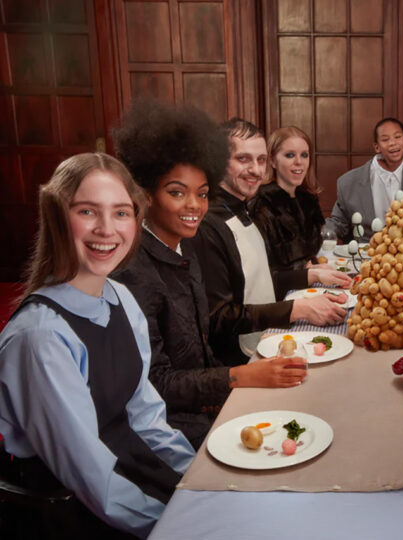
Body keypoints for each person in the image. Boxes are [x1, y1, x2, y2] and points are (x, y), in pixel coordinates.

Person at [0, 153, 195, 538]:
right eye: (87, 211)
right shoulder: (39, 339)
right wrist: (181, 526)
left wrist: (199, 477)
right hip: (80, 512)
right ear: (57, 216)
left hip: (133, 472)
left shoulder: (120, 296)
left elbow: (146, 417)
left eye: (121, 213)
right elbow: (91, 478)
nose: (107, 229)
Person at [112, 102, 307, 449]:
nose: (194, 206)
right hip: (170, 430)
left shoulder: (184, 250)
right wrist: (240, 376)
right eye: (177, 192)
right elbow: (157, 383)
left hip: (210, 402)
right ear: (147, 195)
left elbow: (201, 352)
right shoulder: (136, 273)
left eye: (201, 194)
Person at [189, 118, 352, 366]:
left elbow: (261, 280)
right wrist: (297, 309)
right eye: (243, 159)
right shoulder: (209, 225)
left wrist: (310, 280)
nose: (256, 169)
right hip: (238, 362)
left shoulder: (241, 211)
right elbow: (218, 317)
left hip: (266, 340)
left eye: (261, 160)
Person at [324, 117, 403, 243]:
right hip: (367, 255)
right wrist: (314, 234)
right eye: (385, 139)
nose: (392, 143)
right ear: (376, 147)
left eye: (397, 137)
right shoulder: (348, 182)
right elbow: (339, 223)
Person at [253, 126, 325, 270]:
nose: (299, 162)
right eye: (290, 155)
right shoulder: (262, 204)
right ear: (273, 161)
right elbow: (266, 271)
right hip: (279, 291)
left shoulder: (309, 201)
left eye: (304, 155)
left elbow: (311, 254)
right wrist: (306, 273)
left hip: (309, 286)